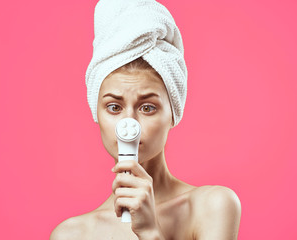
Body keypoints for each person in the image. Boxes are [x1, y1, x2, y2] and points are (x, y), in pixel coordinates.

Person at [50, 0, 241, 239]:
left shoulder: (212, 206)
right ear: (96, 113)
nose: (129, 126)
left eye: (148, 107)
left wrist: (151, 232)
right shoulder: (72, 234)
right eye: (113, 107)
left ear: (173, 114)